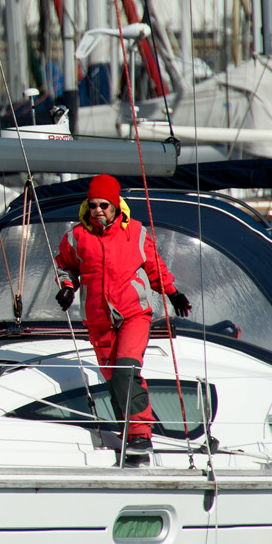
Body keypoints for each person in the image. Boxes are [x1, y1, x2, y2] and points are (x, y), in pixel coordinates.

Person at [54, 174, 191, 466]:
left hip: (133, 314)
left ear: (115, 205)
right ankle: (131, 436)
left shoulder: (136, 232)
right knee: (114, 380)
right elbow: (65, 266)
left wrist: (173, 293)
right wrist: (67, 287)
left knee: (125, 372)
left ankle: (141, 436)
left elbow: (154, 267)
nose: (98, 211)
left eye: (104, 205)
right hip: (98, 320)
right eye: (93, 205)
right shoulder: (76, 236)